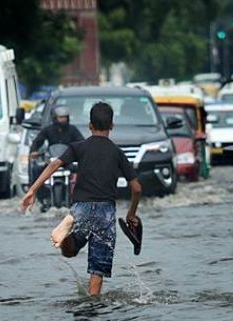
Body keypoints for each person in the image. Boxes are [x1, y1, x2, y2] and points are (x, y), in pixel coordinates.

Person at [20, 102, 142, 296]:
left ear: (90, 126)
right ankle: (93, 305)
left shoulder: (79, 147)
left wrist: (32, 190)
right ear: (112, 126)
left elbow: (54, 165)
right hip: (105, 212)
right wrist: (131, 213)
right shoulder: (117, 153)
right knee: (97, 269)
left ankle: (67, 234)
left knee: (70, 251)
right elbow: (136, 188)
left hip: (81, 208)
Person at [29, 106, 84, 209]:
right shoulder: (48, 130)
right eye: (60, 117)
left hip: (67, 161)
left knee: (84, 171)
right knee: (36, 170)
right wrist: (34, 151)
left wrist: (80, 151)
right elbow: (37, 141)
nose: (63, 120)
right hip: (52, 161)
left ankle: (79, 197)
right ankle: (43, 198)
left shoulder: (73, 129)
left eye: (64, 117)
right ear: (54, 118)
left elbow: (80, 141)